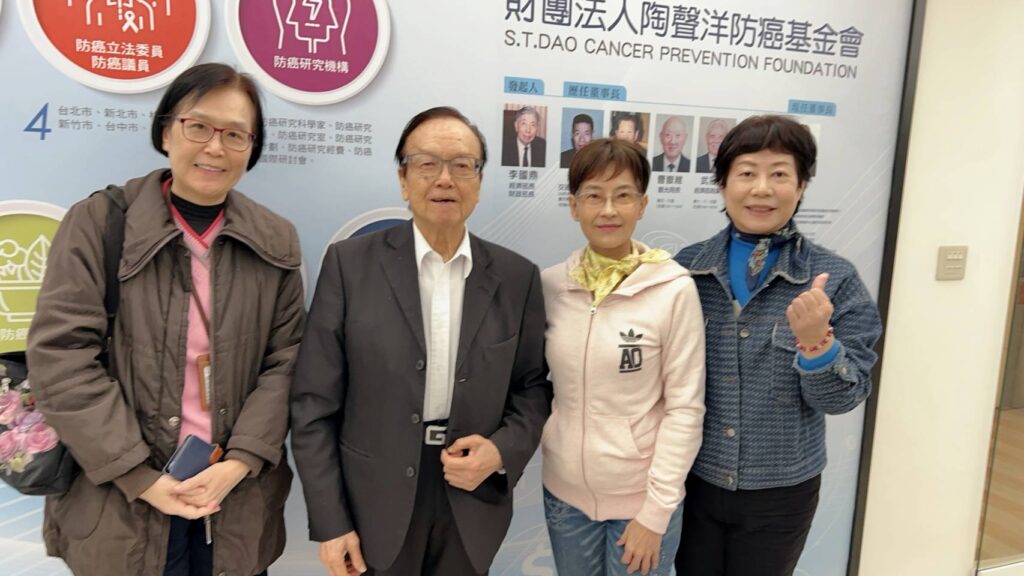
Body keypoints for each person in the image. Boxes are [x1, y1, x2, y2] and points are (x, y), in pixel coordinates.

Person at [26, 62, 304, 576]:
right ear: (166, 131)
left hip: (234, 500)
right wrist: (140, 477)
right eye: (198, 126)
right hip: (123, 501)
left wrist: (240, 461)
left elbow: (288, 361)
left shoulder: (275, 239)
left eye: (235, 134)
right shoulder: (100, 223)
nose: (215, 147)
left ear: (252, 147)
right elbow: (61, 357)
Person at [291, 106, 552, 576]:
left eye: (462, 165)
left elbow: (532, 389)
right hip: (373, 501)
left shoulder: (517, 277)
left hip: (470, 497)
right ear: (403, 179)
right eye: (427, 164)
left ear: (479, 181)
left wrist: (501, 451)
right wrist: (331, 522)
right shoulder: (350, 266)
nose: (444, 179)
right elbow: (313, 405)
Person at [673, 115, 883, 576]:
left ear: (801, 185)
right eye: (747, 172)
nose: (762, 189)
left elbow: (844, 398)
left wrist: (817, 344)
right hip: (694, 478)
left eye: (780, 174)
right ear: (723, 183)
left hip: (782, 491)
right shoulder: (685, 270)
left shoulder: (835, 278)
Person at [541, 137, 705, 576]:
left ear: (642, 204)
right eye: (594, 196)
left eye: (623, 196)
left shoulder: (673, 290)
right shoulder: (552, 286)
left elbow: (685, 408)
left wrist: (655, 513)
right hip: (564, 498)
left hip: (641, 503)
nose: (608, 210)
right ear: (574, 206)